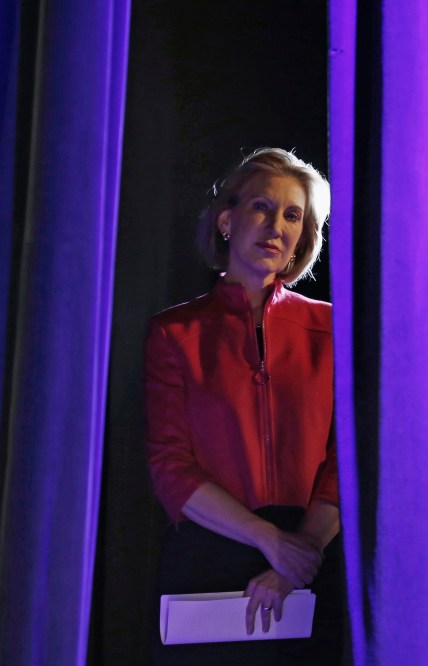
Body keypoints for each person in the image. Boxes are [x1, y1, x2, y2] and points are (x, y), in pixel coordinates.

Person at [145, 148, 342, 664]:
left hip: (311, 555)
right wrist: (269, 541)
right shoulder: (175, 332)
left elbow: (348, 461)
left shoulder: (333, 331)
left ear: (304, 237)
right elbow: (170, 467)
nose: (276, 226)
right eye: (262, 207)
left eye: (293, 215)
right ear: (228, 221)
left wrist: (299, 553)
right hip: (210, 555)